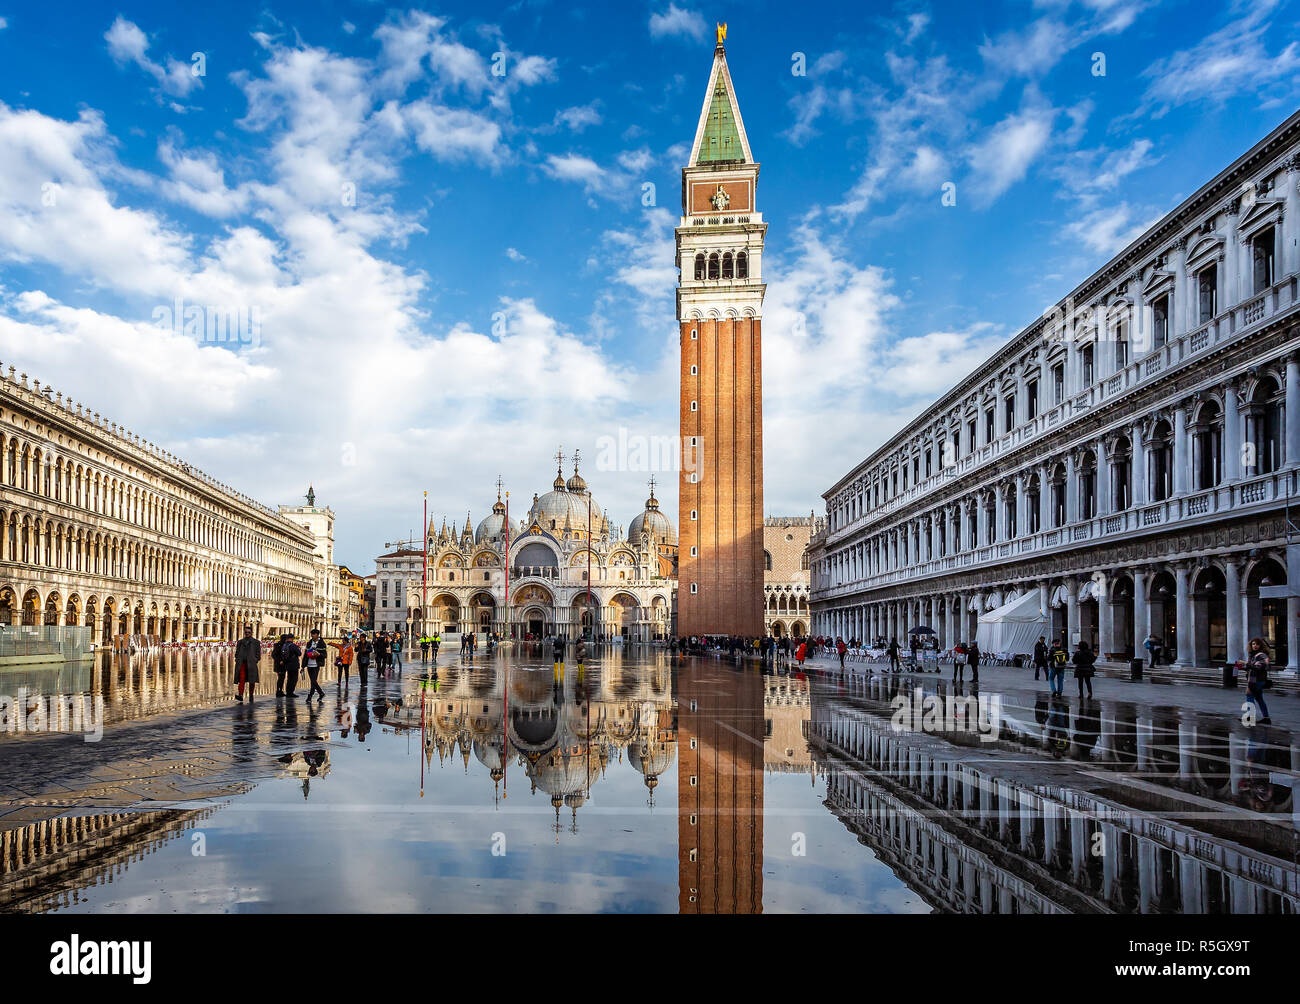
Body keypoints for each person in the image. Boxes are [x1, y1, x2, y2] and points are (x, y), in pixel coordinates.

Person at [1243, 636, 1272, 725]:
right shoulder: (1253, 655)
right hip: (1255, 680)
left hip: (1257, 681)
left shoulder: (1261, 655)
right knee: (1259, 698)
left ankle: (1250, 719)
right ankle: (1266, 718)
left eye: (1257, 644)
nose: (1255, 646)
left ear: (1261, 645)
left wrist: (1246, 664)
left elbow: (1258, 668)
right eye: (1253, 644)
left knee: (1249, 696)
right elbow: (1252, 668)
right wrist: (1244, 667)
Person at [234, 624, 261, 702]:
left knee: (252, 680)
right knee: (241, 678)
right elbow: (237, 652)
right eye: (246, 632)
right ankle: (240, 695)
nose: (247, 634)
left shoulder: (256, 642)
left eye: (248, 632)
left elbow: (258, 654)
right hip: (242, 663)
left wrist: (255, 659)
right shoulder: (240, 642)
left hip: (251, 663)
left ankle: (251, 694)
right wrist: (237, 658)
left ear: (251, 633)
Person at [302, 629, 328, 701]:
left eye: (314, 634)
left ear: (317, 635)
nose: (312, 636)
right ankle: (318, 695)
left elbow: (325, 655)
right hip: (309, 664)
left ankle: (311, 695)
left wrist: (319, 654)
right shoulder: (309, 643)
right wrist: (303, 665)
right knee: (312, 681)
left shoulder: (321, 643)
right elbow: (305, 655)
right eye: (312, 634)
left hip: (316, 664)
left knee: (313, 681)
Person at [281, 633, 302, 697]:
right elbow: (299, 653)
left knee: (289, 678)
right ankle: (290, 693)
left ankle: (288, 692)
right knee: (294, 679)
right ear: (292, 638)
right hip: (294, 664)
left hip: (287, 664)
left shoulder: (284, 645)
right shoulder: (293, 645)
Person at [271, 632, 290, 697]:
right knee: (280, 678)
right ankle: (278, 691)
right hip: (279, 665)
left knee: (282, 678)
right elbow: (273, 654)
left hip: (283, 664)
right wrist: (279, 661)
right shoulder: (278, 645)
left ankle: (280, 690)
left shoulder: (285, 645)